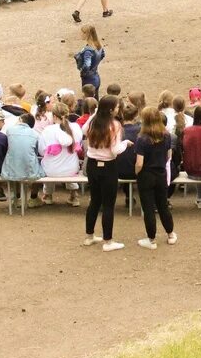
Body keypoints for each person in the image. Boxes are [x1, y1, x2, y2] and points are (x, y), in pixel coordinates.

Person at [82, 96, 130, 251]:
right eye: (116, 107)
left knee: (94, 201)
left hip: (92, 165)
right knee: (108, 204)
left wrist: (95, 113)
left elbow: (83, 131)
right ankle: (108, 241)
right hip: (108, 166)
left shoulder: (93, 122)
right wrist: (125, 144)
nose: (118, 109)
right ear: (111, 110)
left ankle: (89, 236)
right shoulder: (114, 125)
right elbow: (115, 151)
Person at [134, 107, 177, 249]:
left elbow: (139, 162)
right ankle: (170, 233)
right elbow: (169, 155)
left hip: (146, 175)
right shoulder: (166, 135)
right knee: (163, 205)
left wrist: (137, 172)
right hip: (160, 174)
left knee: (148, 208)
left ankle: (151, 239)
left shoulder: (142, 139)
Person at [74, 25, 105, 95]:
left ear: (87, 34)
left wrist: (82, 71)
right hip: (96, 76)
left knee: (89, 102)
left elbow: (87, 65)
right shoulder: (98, 46)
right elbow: (103, 55)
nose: (80, 34)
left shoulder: (88, 50)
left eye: (82, 33)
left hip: (88, 80)